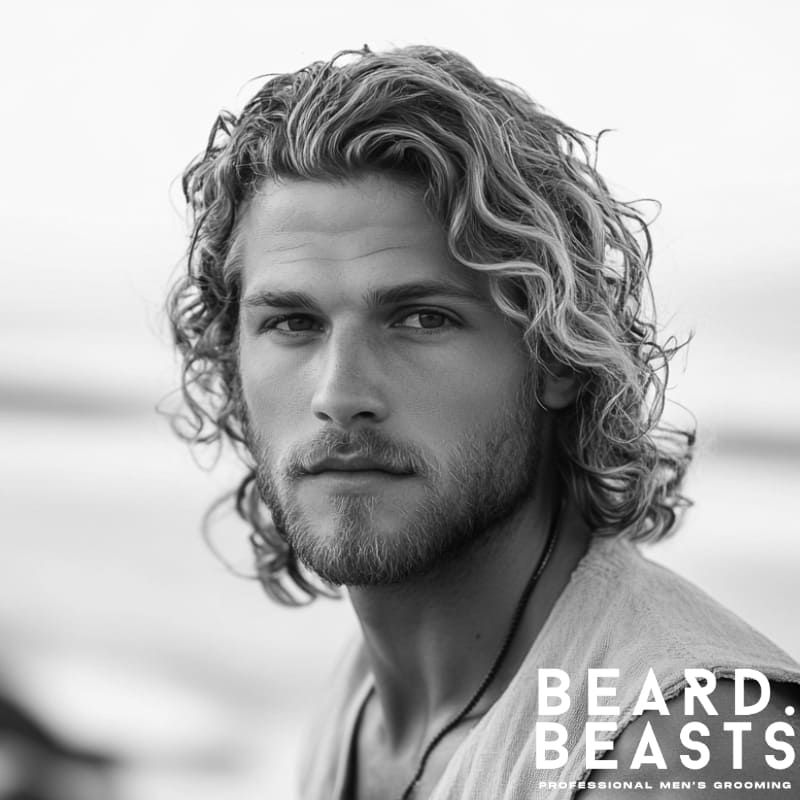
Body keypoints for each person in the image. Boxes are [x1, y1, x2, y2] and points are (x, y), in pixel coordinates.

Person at [167, 45, 800, 799]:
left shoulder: (700, 746)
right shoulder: (371, 691)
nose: (340, 393)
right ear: (231, 361)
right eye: (293, 323)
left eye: (422, 318)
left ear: (559, 356)